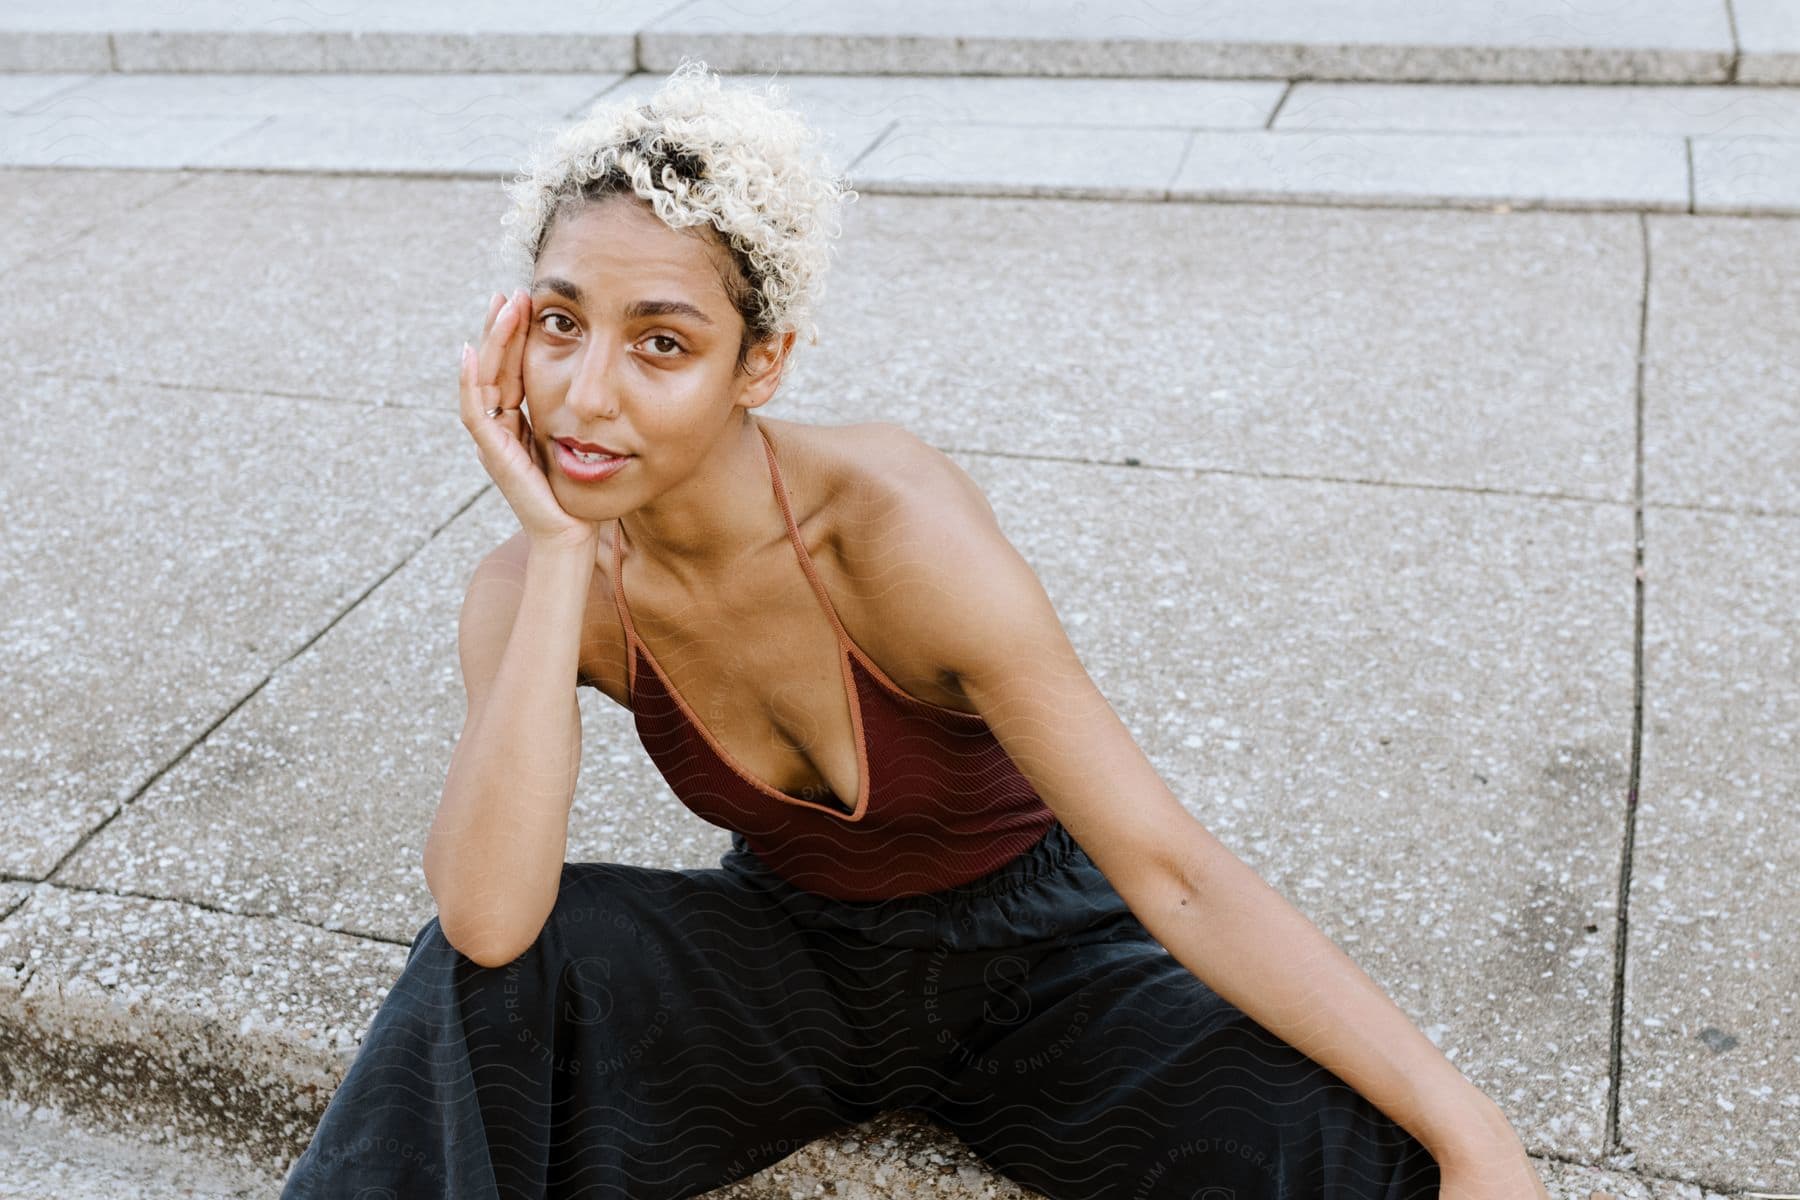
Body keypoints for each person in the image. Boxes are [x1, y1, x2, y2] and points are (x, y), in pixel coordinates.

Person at [278, 59, 1547, 1200]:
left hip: (1046, 971)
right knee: (475, 985)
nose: (585, 394)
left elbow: (1173, 870)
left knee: (1359, 1156)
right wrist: (558, 551)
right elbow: (492, 921)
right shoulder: (530, 586)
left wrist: (1472, 1133)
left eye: (661, 342)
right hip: (788, 968)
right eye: (559, 323)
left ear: (758, 365)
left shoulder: (895, 530)